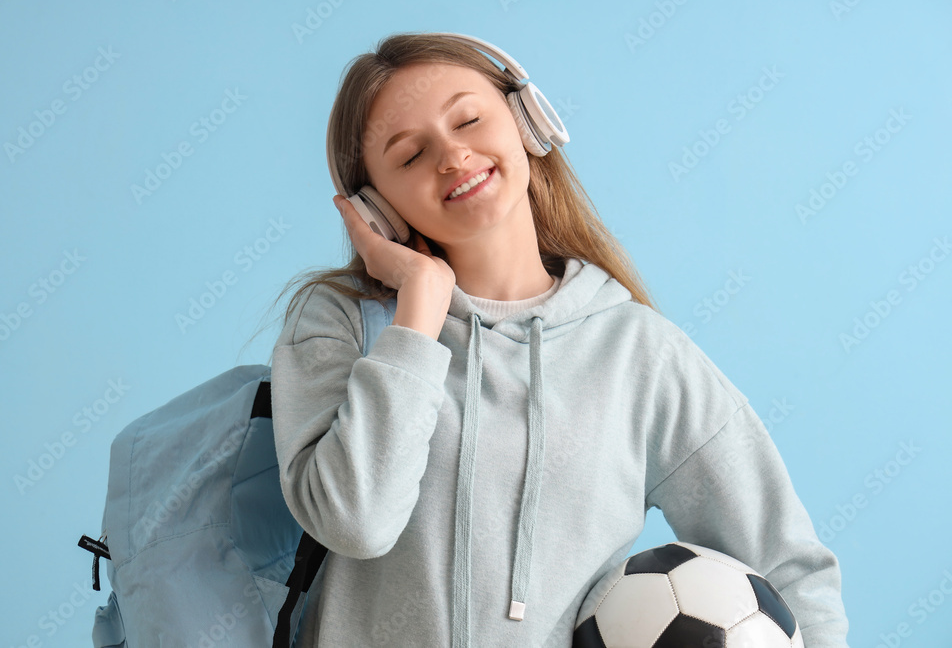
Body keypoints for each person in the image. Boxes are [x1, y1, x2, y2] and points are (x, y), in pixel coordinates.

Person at [269, 31, 850, 647]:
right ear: (374, 208)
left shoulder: (640, 353)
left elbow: (789, 569)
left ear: (528, 120)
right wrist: (417, 313)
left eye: (468, 119)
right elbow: (355, 521)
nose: (452, 157)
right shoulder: (339, 320)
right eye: (410, 156)